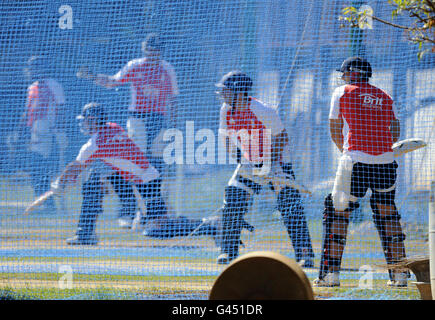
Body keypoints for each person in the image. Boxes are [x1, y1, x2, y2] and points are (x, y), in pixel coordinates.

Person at [50, 102, 218, 245]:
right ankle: (86, 233)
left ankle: (210, 226)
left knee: (158, 229)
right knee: (94, 180)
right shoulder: (114, 127)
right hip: (139, 179)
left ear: (94, 120)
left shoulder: (94, 144)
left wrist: (59, 182)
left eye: (87, 121)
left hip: (144, 183)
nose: (84, 124)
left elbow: (75, 166)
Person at [313, 57, 409, 287]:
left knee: (338, 211)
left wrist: (345, 152)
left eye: (345, 72)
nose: (343, 76)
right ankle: (400, 275)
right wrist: (381, 150)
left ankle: (329, 276)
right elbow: (395, 129)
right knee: (387, 214)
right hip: (386, 162)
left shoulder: (342, 91)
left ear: (353, 73)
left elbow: (334, 127)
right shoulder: (385, 96)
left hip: (355, 162)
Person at [214, 70, 315, 266]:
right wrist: (242, 160)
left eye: (226, 90)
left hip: (277, 162)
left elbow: (282, 138)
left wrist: (267, 163)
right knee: (233, 201)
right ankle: (228, 251)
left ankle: (305, 254)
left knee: (289, 205)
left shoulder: (262, 110)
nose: (222, 94)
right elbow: (226, 138)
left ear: (239, 92)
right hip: (250, 162)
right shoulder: (226, 110)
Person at [85, 33, 178, 177]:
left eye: (157, 50)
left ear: (161, 51)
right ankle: (133, 188)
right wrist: (94, 77)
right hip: (137, 117)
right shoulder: (135, 66)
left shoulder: (167, 69)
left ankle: (154, 192)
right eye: (150, 49)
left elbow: (173, 98)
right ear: (145, 49)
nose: (153, 53)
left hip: (158, 118)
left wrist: (173, 123)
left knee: (158, 156)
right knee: (138, 155)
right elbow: (113, 81)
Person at [19, 55, 67, 212]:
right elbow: (28, 110)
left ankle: (48, 203)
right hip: (34, 132)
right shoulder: (32, 87)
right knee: (34, 168)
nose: (31, 71)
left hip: (48, 132)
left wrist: (59, 131)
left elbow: (61, 108)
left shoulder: (53, 85)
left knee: (41, 168)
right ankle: (44, 202)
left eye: (35, 68)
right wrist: (22, 130)